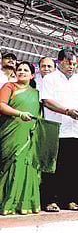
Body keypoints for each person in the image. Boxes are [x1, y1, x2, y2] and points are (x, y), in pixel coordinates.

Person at [41, 49, 78, 211]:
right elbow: (47, 101)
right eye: (68, 63)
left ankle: (69, 199)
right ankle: (49, 200)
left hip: (75, 130)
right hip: (56, 128)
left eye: (74, 64)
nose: (71, 67)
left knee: (72, 167)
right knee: (53, 166)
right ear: (59, 62)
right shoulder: (50, 79)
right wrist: (67, 111)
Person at [0, 62, 41, 215]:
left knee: (26, 165)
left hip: (29, 133)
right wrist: (20, 114)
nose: (22, 72)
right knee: (10, 164)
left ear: (32, 75)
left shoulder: (36, 93)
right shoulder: (8, 87)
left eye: (26, 70)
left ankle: (23, 203)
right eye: (19, 70)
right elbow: (2, 105)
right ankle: (5, 202)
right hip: (11, 131)